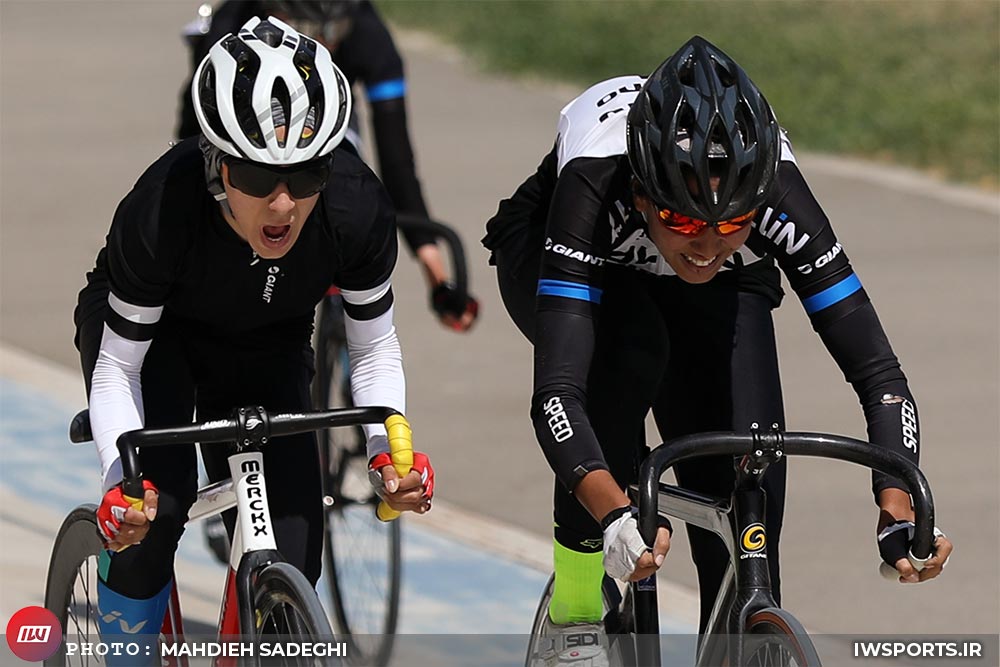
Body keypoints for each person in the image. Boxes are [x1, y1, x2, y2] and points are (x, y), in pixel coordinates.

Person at [482, 36, 953, 666]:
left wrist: (899, 506)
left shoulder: (780, 194)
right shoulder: (594, 184)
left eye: (732, 223)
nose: (706, 242)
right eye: (684, 221)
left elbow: (879, 374)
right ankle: (575, 613)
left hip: (731, 286)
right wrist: (613, 513)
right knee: (629, 354)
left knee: (751, 468)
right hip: (568, 253)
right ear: (646, 195)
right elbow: (557, 397)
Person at [74, 17, 433, 664]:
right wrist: (115, 480)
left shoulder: (354, 207)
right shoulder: (161, 208)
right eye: (257, 177)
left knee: (299, 547)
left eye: (304, 175)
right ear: (216, 165)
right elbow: (116, 371)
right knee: (157, 509)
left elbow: (375, 349)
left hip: (266, 340)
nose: (282, 205)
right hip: (159, 339)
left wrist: (388, 451)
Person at [177, 0, 479, 331]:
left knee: (348, 177)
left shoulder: (366, 31)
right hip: (248, 132)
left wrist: (435, 273)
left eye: (335, 30)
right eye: (305, 29)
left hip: (326, 129)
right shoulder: (231, 27)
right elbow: (195, 145)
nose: (323, 43)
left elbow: (396, 158)